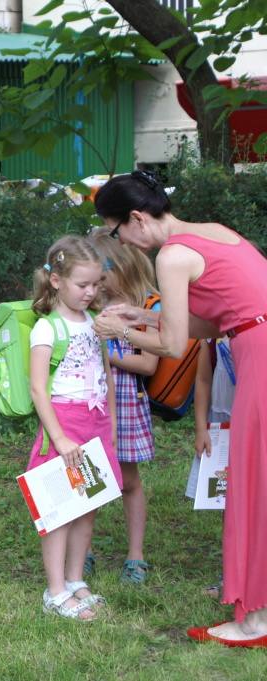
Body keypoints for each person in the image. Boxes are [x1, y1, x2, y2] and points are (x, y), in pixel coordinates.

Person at [93, 169, 267, 647]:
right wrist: (143, 314)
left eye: (116, 231)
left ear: (135, 218)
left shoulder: (170, 256)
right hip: (255, 336)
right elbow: (219, 321)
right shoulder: (213, 232)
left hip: (260, 353)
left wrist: (119, 330)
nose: (120, 241)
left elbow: (172, 345)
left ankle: (255, 622)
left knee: (253, 479)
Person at [28, 235, 118, 620]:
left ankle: (75, 579)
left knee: (87, 504)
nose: (91, 291)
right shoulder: (46, 329)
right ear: (56, 280)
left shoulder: (94, 322)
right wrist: (60, 437)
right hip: (65, 425)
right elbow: (38, 388)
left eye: (96, 283)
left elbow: (105, 374)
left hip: (95, 422)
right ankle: (55, 591)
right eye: (83, 284)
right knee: (59, 510)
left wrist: (111, 422)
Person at [89, 229, 160, 584]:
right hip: (91, 399)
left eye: (102, 275)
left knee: (128, 481)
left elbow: (148, 364)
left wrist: (108, 349)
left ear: (121, 266)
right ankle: (83, 552)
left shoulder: (148, 306)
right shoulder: (89, 303)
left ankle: (135, 556)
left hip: (127, 399)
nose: (97, 285)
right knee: (88, 478)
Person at [185, 336, 236, 596]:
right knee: (229, 503)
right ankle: (231, 577)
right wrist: (201, 428)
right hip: (223, 425)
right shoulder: (213, 331)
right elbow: (203, 379)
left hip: (256, 422)